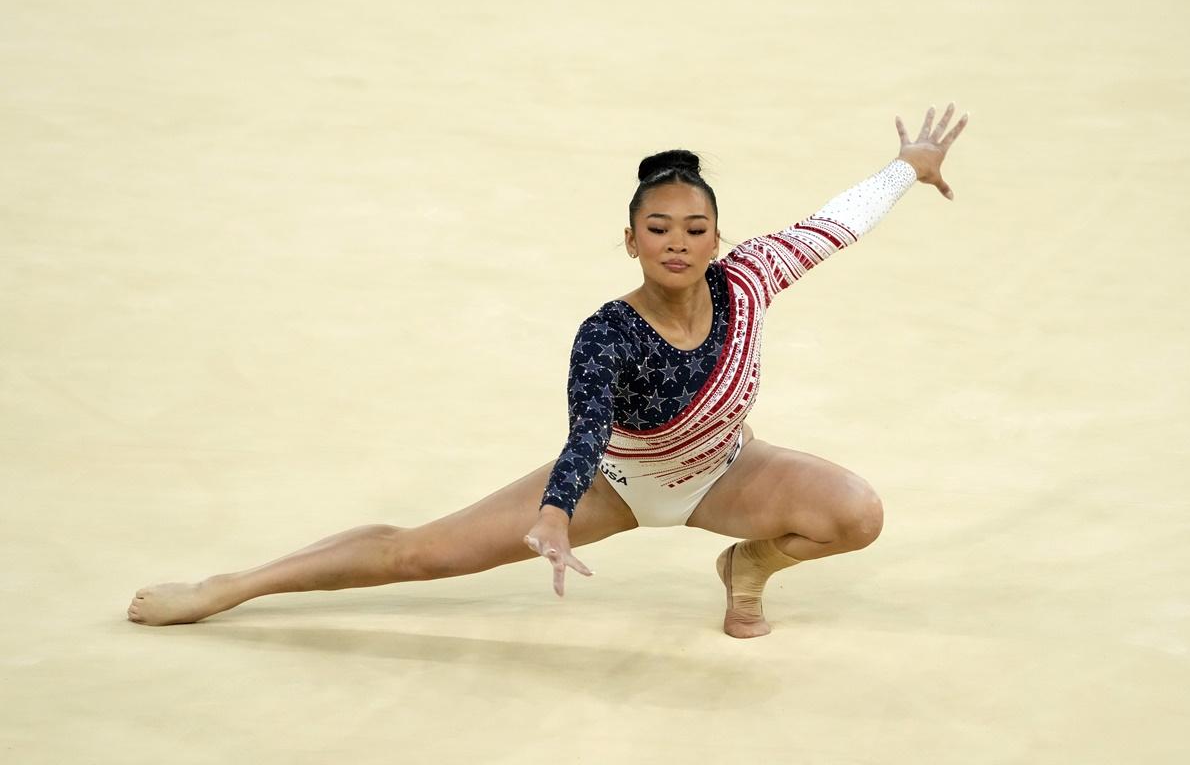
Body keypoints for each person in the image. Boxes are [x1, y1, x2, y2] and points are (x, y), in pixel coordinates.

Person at [127, 103, 968, 638]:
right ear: (632, 238)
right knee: (418, 555)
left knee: (855, 514)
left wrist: (908, 168)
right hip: (613, 483)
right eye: (659, 226)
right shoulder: (608, 332)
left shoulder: (749, 279)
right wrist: (559, 513)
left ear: (717, 236)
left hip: (725, 473)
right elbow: (587, 432)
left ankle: (747, 567)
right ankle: (230, 588)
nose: (678, 241)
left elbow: (835, 223)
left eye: (695, 226)